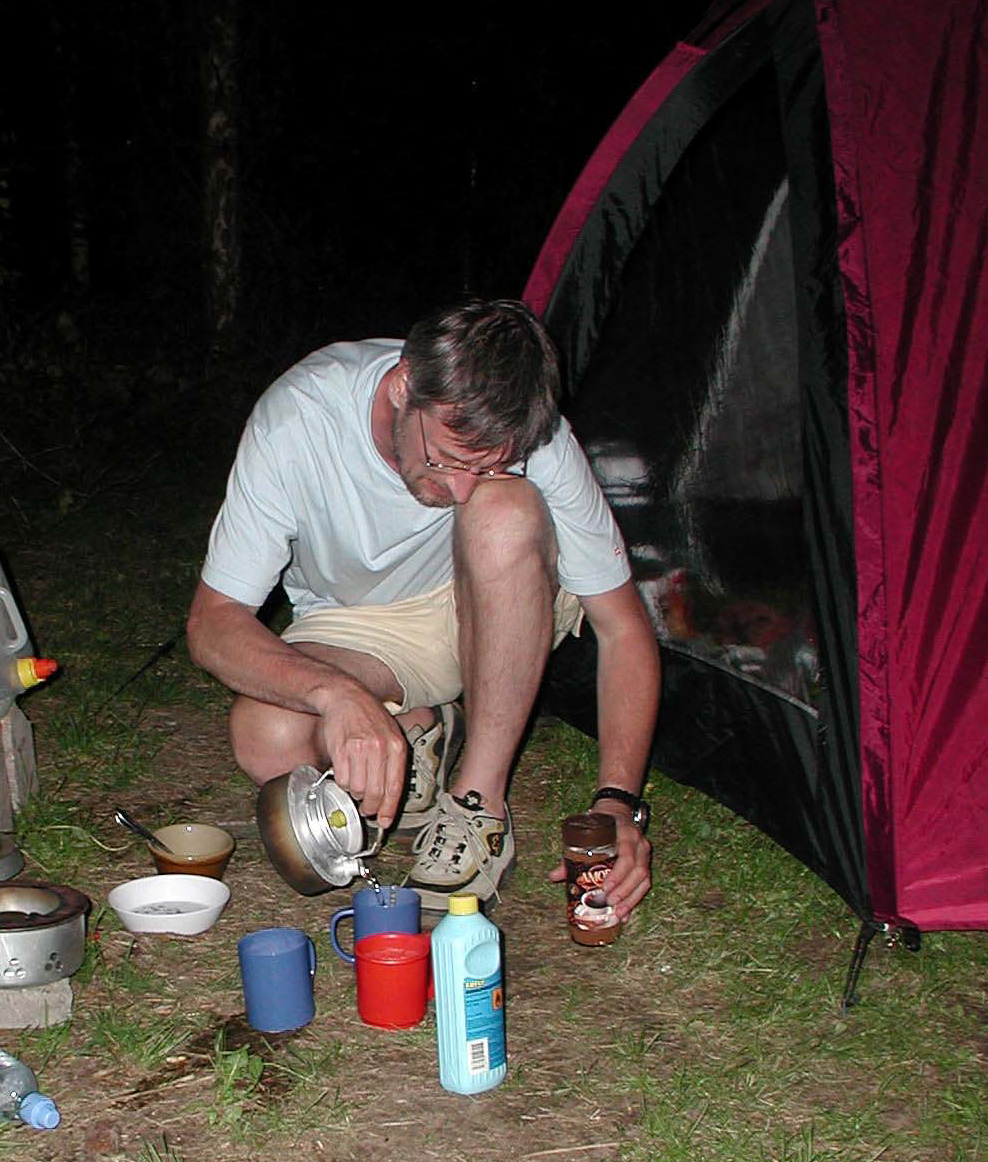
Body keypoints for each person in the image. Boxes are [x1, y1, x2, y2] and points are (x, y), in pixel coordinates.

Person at [185, 297, 659, 913]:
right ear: (404, 386)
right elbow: (212, 623)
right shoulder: (299, 420)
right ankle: (415, 727)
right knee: (266, 735)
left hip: (503, 597)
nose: (459, 489)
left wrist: (618, 803)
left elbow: (622, 628)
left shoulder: (533, 434)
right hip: (366, 624)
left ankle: (479, 804)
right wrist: (338, 694)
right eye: (448, 461)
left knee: (501, 509)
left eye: (488, 465)